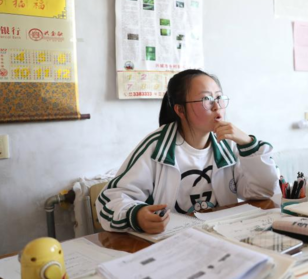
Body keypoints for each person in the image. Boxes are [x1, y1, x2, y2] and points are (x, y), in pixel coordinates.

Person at [96, 69, 278, 234]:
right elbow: (109, 200)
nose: (217, 106)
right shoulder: (157, 146)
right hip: (172, 242)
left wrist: (248, 143)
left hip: (221, 236)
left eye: (219, 97)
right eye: (206, 99)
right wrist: (136, 216)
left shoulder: (228, 144)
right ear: (180, 110)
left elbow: (262, 192)